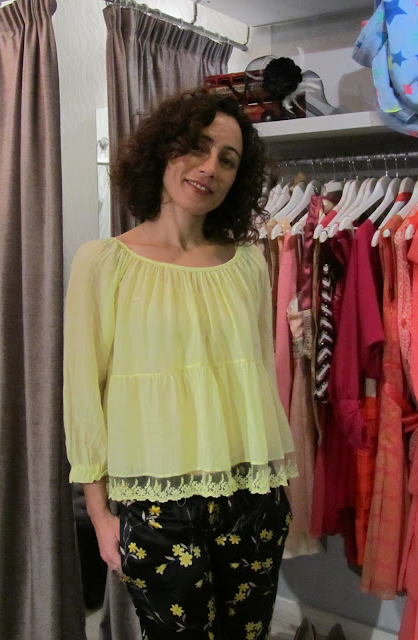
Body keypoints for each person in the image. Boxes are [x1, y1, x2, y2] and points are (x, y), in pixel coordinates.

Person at [64, 88, 297, 640]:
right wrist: (99, 515)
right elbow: (83, 391)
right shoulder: (104, 263)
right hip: (156, 507)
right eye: (198, 147)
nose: (209, 167)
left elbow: (257, 380)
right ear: (163, 150)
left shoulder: (249, 264)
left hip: (253, 498)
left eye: (228, 159)